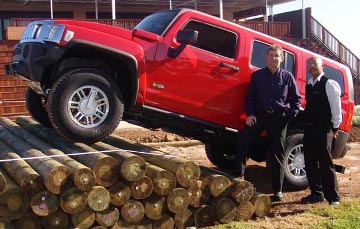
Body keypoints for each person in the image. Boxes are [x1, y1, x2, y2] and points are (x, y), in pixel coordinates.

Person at [234, 44, 301, 202]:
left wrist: (287, 117)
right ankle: (239, 178)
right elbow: (250, 97)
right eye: (271, 55)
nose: (274, 58)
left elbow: (296, 100)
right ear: (267, 57)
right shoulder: (257, 76)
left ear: (282, 58)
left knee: (277, 154)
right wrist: (250, 114)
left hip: (278, 119)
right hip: (259, 117)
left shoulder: (287, 77)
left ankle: (278, 190)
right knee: (242, 142)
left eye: (277, 56)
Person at [301, 56, 342, 206]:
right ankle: (316, 194)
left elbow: (336, 109)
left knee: (325, 163)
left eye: (314, 63)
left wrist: (335, 127)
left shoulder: (329, 83)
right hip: (310, 129)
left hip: (324, 130)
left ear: (322, 66)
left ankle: (334, 198)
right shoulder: (309, 85)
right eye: (309, 64)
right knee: (310, 162)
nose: (311, 66)